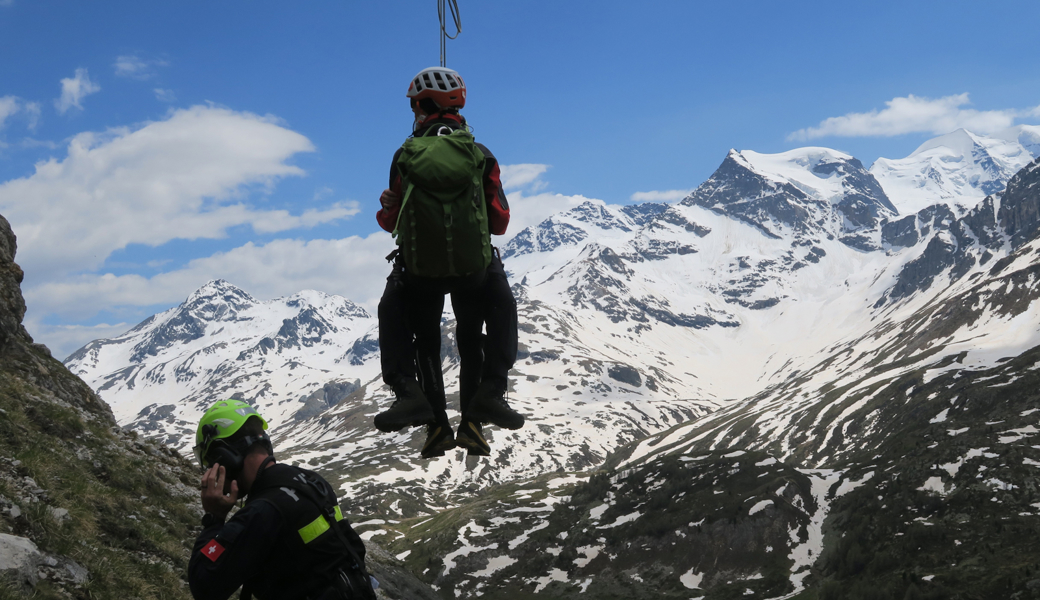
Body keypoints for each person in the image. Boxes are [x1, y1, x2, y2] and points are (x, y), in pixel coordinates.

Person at [373, 66, 523, 459]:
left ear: (423, 105)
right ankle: (483, 406)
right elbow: (500, 221)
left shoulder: (405, 155)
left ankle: (424, 411)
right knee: (478, 332)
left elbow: (391, 222)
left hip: (419, 273)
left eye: (414, 105)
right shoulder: (480, 155)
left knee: (413, 330)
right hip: (474, 270)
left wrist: (387, 208)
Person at [188, 399, 376, 600]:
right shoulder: (310, 480)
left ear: (224, 457)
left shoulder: (263, 511)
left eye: (212, 463)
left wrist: (214, 518)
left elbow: (204, 586)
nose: (212, 473)